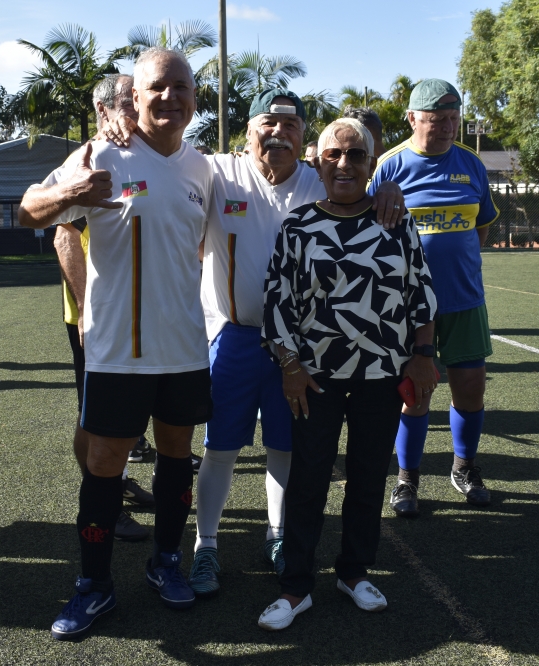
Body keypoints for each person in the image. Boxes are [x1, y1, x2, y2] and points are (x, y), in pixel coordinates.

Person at [96, 88, 405, 599]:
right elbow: (162, 157)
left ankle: (277, 536)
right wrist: (117, 127)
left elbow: (361, 183)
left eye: (290, 124)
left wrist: (388, 186)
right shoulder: (216, 171)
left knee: (285, 448)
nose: (278, 133)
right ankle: (207, 544)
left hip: (299, 348)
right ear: (248, 131)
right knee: (220, 449)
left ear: (303, 137)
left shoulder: (319, 179)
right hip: (235, 337)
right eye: (268, 122)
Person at [19, 47, 215, 640]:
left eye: (181, 86)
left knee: (177, 457)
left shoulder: (204, 168)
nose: (170, 97)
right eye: (157, 87)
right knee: (105, 465)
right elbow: (29, 211)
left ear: (195, 98)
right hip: (117, 349)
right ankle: (94, 585)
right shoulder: (101, 153)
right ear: (134, 96)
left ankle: (166, 562)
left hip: (183, 346)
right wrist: (70, 193)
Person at [257, 118, 437, 630]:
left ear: (372, 164)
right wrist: (290, 366)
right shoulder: (298, 225)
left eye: (356, 155)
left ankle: (354, 572)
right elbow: (277, 304)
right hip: (315, 377)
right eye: (334, 154)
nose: (344, 164)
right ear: (317, 162)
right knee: (309, 478)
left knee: (367, 475)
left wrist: (423, 354)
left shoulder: (396, 221)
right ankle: (296, 586)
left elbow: (420, 294)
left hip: (382, 374)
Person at [370, 79, 499, 516]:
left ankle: (464, 467)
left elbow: (481, 227)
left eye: (453, 118)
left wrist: (455, 264)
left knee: (470, 389)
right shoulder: (389, 166)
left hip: (465, 300)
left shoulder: (471, 163)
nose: (447, 127)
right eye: (436, 119)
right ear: (412, 118)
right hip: (406, 310)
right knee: (414, 394)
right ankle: (407, 479)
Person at [43, 74, 153, 542]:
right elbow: (63, 234)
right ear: (103, 110)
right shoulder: (88, 159)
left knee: (131, 412)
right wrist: (87, 308)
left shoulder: (148, 153)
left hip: (144, 315)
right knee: (96, 414)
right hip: (99, 316)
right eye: (129, 102)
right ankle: (103, 499)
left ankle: (118, 480)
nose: (138, 109)